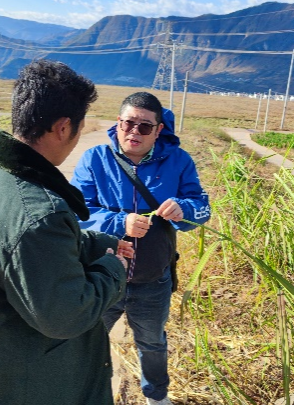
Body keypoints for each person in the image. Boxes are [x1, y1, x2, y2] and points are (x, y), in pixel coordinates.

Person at [0, 60, 134, 405]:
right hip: (11, 386)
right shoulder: (39, 212)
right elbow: (66, 315)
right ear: (63, 127)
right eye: (80, 128)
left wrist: (96, 244)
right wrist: (114, 269)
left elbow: (16, 252)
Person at [71, 92, 211, 405]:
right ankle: (86, 394)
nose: (135, 132)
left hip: (153, 280)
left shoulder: (179, 161)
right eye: (128, 123)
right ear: (118, 123)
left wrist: (184, 209)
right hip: (101, 277)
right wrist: (119, 222)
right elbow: (77, 213)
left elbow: (202, 208)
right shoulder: (95, 159)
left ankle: (156, 396)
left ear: (158, 130)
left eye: (145, 126)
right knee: (86, 340)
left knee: (152, 343)